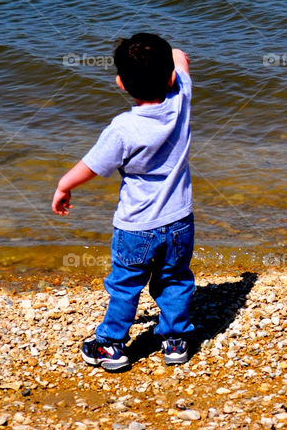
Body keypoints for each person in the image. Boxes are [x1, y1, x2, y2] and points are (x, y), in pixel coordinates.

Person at [52, 33, 195, 371]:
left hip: (136, 227)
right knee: (174, 278)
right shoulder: (181, 98)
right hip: (180, 220)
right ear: (171, 77)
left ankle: (110, 346)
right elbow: (180, 56)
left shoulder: (122, 128)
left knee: (125, 286)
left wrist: (64, 184)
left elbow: (91, 166)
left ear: (120, 83)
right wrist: (169, 56)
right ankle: (175, 341)